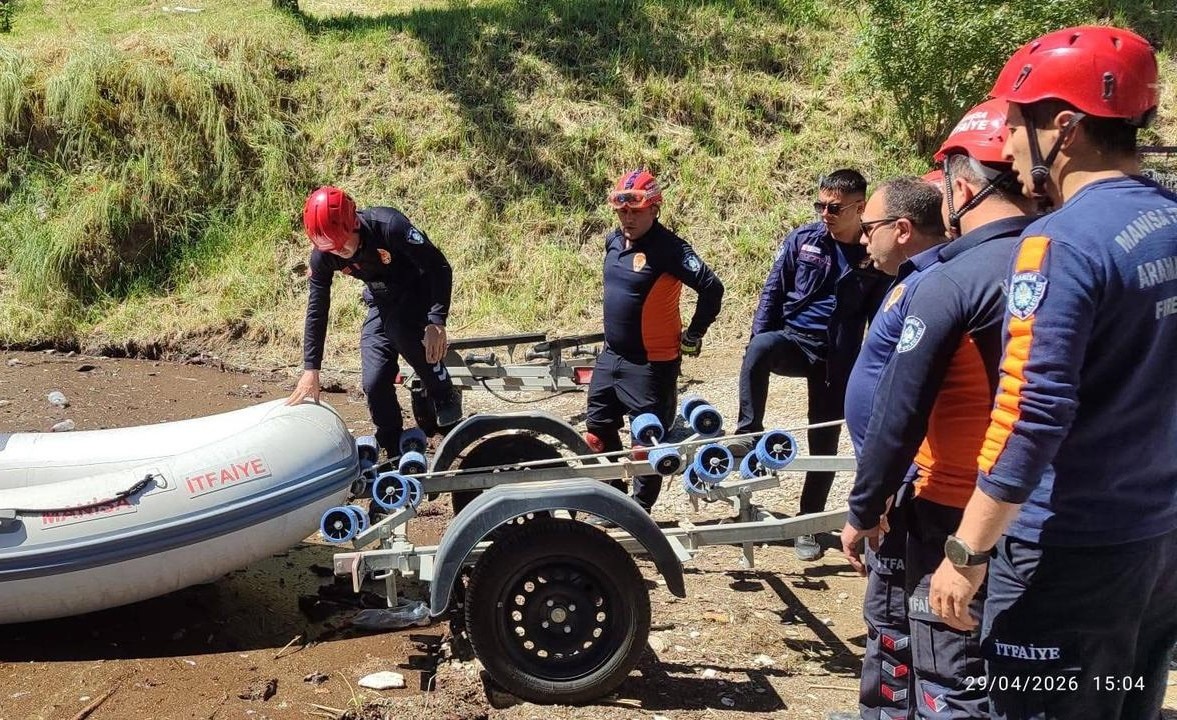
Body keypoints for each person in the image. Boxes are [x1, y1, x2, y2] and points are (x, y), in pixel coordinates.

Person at [927, 25, 1177, 720]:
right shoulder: (1168, 220)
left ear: (1063, 127)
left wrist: (966, 549)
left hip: (1066, 552)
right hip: (1156, 544)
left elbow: (1029, 411)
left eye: (1014, 122)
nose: (1006, 146)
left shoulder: (1057, 243)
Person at [842, 99, 1036, 719]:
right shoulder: (1056, 258)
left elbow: (902, 407)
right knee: (913, 645)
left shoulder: (953, 281)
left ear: (961, 189)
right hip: (1007, 504)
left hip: (951, 502)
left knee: (950, 673)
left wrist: (866, 503)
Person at [736, 169, 889, 560]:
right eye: (820, 205)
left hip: (836, 358)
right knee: (759, 348)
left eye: (834, 207)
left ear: (860, 207)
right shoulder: (804, 240)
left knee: (824, 443)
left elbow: (880, 320)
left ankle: (808, 524)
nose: (825, 213)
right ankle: (748, 432)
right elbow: (773, 291)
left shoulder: (874, 255)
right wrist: (759, 336)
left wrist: (873, 370)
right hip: (793, 342)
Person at [838, 175, 947, 720]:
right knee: (889, 615)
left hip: (905, 487)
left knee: (897, 616)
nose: (863, 238)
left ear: (902, 229)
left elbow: (910, 405)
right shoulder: (910, 281)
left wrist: (878, 493)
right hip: (893, 482)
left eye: (870, 227)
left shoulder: (936, 287)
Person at [286, 186, 461, 457]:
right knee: (373, 380)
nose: (340, 253)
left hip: (419, 291)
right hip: (383, 300)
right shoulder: (325, 255)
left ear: (354, 223)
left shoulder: (389, 226)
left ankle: (444, 393)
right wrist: (311, 369)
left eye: (343, 244)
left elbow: (438, 266)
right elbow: (317, 309)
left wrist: (436, 321)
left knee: (399, 328)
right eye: (332, 249)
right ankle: (391, 442)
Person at [586, 169, 724, 513]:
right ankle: (614, 499)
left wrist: (694, 334)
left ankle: (639, 511)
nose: (628, 218)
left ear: (654, 208)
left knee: (645, 445)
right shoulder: (613, 241)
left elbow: (712, 288)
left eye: (635, 211)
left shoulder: (670, 249)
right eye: (622, 211)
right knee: (596, 434)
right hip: (611, 356)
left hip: (651, 364)